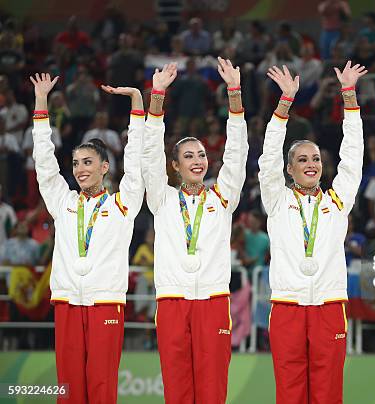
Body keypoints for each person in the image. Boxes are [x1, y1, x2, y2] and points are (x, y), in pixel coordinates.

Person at [30, 72, 145, 404]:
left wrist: (137, 103)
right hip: (67, 301)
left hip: (105, 303)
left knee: (101, 387)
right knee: (67, 389)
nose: (80, 169)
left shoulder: (122, 205)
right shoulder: (62, 202)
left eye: (88, 162)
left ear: (105, 167)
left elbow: (135, 165)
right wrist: (41, 103)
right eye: (76, 163)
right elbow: (44, 165)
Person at [141, 59, 247, 404]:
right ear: (175, 165)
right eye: (189, 155)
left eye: (201, 154)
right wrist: (157, 96)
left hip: (213, 301)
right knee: (177, 387)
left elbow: (236, 154)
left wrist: (234, 93)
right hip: (172, 300)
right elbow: (148, 155)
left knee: (213, 387)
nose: (198, 160)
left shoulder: (222, 197)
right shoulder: (162, 197)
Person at [259, 61, 365, 404]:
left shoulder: (337, 201)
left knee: (329, 390)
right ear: (289, 169)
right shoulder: (276, 199)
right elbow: (267, 157)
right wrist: (285, 104)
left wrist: (349, 97)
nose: (310, 164)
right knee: (289, 390)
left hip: (329, 303)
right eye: (302, 159)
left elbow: (354, 157)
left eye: (316, 159)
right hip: (288, 304)